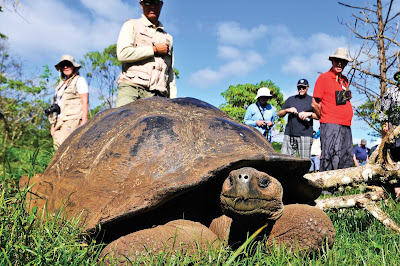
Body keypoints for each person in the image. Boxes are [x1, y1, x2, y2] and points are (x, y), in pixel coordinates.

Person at [115, 0, 177, 108]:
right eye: (148, 2)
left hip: (159, 96)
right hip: (132, 89)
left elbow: (170, 73)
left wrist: (174, 101)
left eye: (156, 3)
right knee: (119, 121)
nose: (152, 6)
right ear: (141, 4)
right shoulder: (131, 25)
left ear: (161, 5)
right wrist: (154, 49)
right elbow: (122, 54)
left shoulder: (168, 38)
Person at [312, 47, 354, 171]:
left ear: (346, 64)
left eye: (343, 61)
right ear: (332, 61)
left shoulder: (344, 80)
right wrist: (323, 116)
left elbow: (343, 101)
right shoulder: (323, 77)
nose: (339, 63)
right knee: (330, 155)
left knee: (345, 155)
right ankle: (327, 189)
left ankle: (342, 186)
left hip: (346, 124)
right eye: (337, 60)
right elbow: (315, 103)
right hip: (330, 123)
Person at [49, 55, 89, 149]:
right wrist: (53, 125)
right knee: (57, 149)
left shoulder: (79, 80)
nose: (65, 67)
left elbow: (85, 102)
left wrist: (84, 121)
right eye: (63, 65)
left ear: (73, 66)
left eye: (68, 64)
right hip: (59, 122)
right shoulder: (60, 85)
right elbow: (57, 105)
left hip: (73, 120)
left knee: (67, 149)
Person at [278, 79, 317, 159]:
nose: (301, 89)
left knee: (305, 161)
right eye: (299, 87)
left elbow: (318, 116)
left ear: (308, 88)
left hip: (305, 134)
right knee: (286, 160)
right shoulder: (290, 99)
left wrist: (308, 114)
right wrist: (287, 110)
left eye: (303, 87)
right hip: (290, 134)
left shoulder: (312, 100)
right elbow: (280, 114)